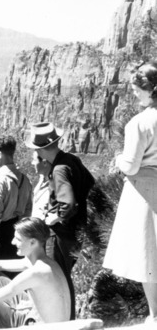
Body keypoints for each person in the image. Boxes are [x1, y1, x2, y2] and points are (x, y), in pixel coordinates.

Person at [103, 62, 157, 325]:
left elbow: (132, 164)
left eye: (137, 90)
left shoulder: (139, 123)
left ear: (149, 90)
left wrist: (118, 159)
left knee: (149, 254)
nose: (135, 94)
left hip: (145, 190)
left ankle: (155, 314)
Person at [25, 122, 95, 320]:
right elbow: (91, 188)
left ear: (39, 149)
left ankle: (63, 321)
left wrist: (54, 216)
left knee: (58, 281)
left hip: (60, 235)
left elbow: (68, 203)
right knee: (65, 280)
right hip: (75, 233)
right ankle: (68, 320)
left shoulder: (59, 169)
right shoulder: (71, 159)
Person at [0, 217, 71, 328]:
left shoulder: (36, 273)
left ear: (33, 242)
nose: (12, 242)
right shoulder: (46, 263)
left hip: (38, 326)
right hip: (42, 318)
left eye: (18, 239)